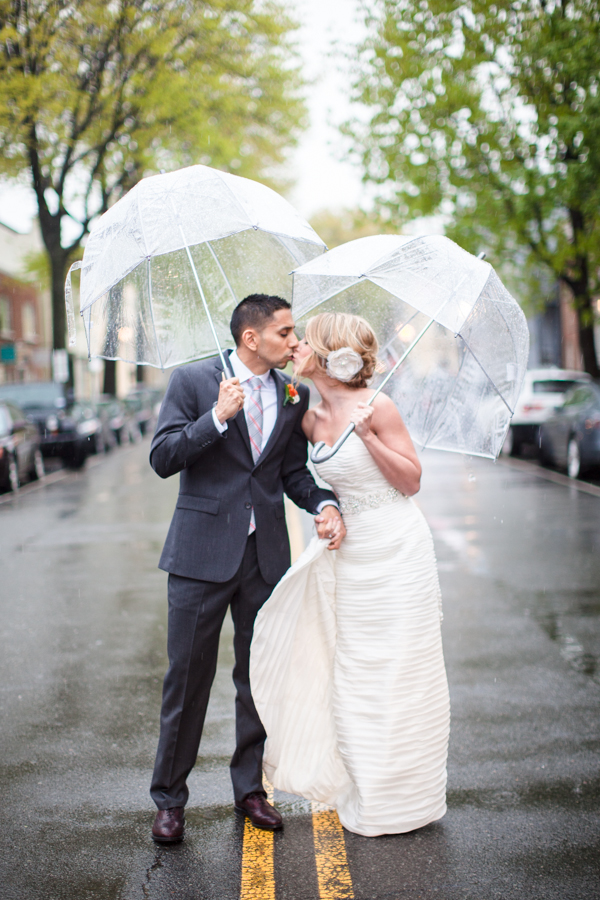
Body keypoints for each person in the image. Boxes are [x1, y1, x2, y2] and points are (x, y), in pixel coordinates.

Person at [149, 295, 345, 843]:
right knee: (186, 681)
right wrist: (216, 418)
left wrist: (324, 503)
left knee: (258, 680)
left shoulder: (292, 392)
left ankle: (250, 789)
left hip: (265, 561)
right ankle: (169, 800)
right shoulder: (193, 382)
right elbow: (163, 458)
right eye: (285, 333)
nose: (295, 341)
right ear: (251, 339)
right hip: (198, 558)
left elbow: (291, 473)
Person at [250, 311, 450, 837]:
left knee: (401, 670)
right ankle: (368, 786)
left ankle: (408, 797)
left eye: (304, 342)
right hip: (351, 556)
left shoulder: (378, 406)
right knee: (356, 671)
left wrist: (371, 437)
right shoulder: (309, 417)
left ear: (330, 354)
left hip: (398, 548)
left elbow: (411, 482)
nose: (295, 348)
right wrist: (326, 510)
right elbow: (301, 479)